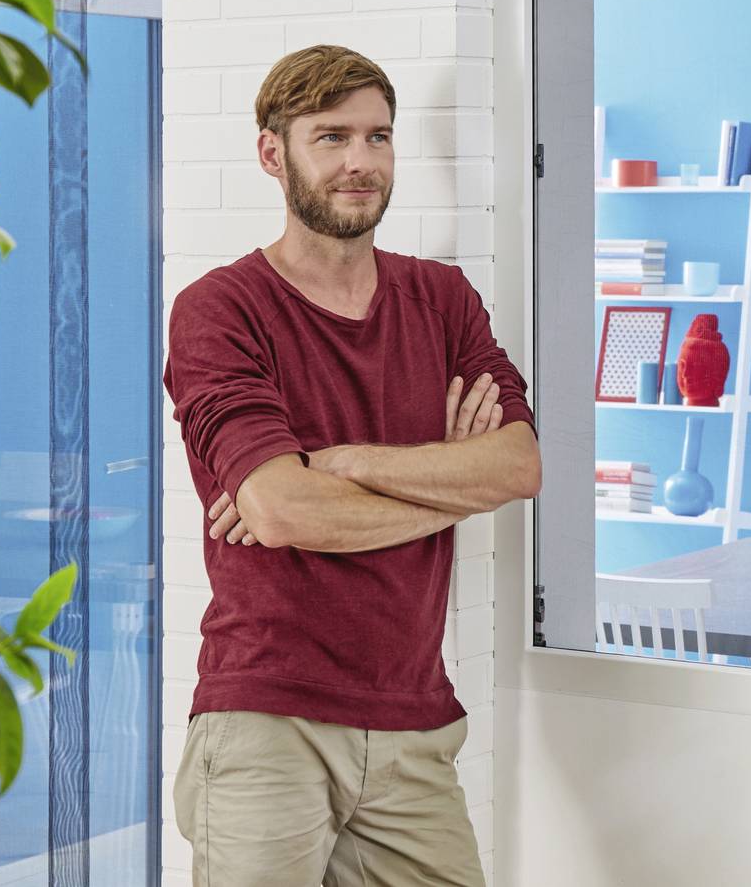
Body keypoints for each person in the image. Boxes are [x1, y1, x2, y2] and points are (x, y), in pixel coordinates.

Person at [162, 45, 539, 885]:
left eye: (378, 136)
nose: (360, 161)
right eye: (331, 137)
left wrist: (345, 462)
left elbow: (518, 466)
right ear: (274, 154)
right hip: (267, 719)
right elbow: (283, 510)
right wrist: (453, 478)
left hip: (414, 724)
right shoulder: (220, 310)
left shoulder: (442, 300)